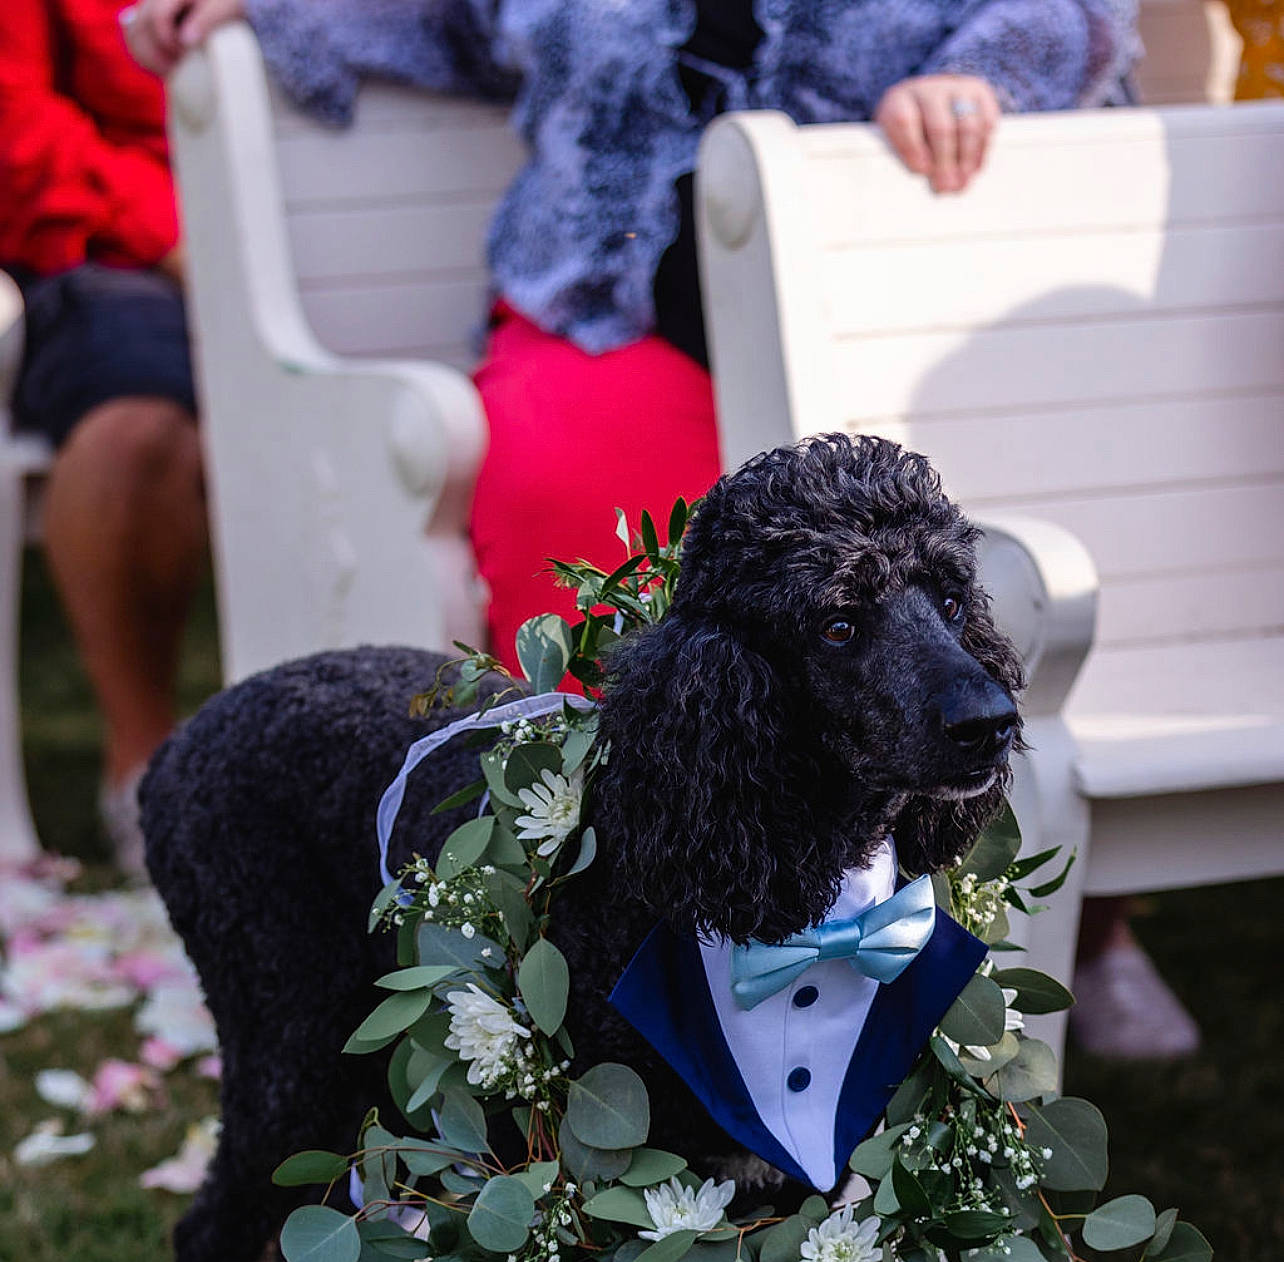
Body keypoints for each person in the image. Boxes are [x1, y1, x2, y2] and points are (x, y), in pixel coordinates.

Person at [128, 0, 1186, 1061]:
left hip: (889, 296)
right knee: (578, 509)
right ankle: (607, 937)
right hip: (611, 303)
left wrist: (986, 73)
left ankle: (1055, 929)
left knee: (922, 559)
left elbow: (1078, 16)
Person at [1, 0, 208, 876]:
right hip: (118, 253)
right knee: (138, 428)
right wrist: (177, 234)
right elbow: (16, 125)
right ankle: (143, 774)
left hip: (349, 219)